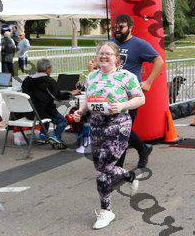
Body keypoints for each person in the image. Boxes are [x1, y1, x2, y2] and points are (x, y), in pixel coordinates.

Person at [73, 42, 144, 230]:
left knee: (103, 168)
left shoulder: (126, 76)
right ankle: (128, 176)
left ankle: (106, 211)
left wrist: (121, 106)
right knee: (101, 168)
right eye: (101, 53)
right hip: (97, 126)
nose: (103, 56)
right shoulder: (92, 76)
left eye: (108, 54)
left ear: (117, 58)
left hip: (118, 126)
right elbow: (89, 99)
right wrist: (80, 111)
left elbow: (140, 99)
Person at [88, 14, 163, 169]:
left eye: (121, 27)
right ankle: (143, 148)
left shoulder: (139, 44)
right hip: (109, 96)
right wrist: (94, 67)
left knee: (122, 130)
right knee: (117, 129)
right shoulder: (111, 43)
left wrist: (148, 81)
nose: (117, 30)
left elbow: (159, 60)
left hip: (129, 95)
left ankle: (117, 168)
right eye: (114, 27)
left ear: (130, 27)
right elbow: (102, 62)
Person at [21, 58, 81, 148]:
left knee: (45, 112)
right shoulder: (48, 81)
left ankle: (43, 135)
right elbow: (58, 96)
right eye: (51, 68)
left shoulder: (27, 79)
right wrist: (70, 93)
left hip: (29, 113)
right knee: (62, 121)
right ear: (48, 69)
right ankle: (56, 137)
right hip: (43, 113)